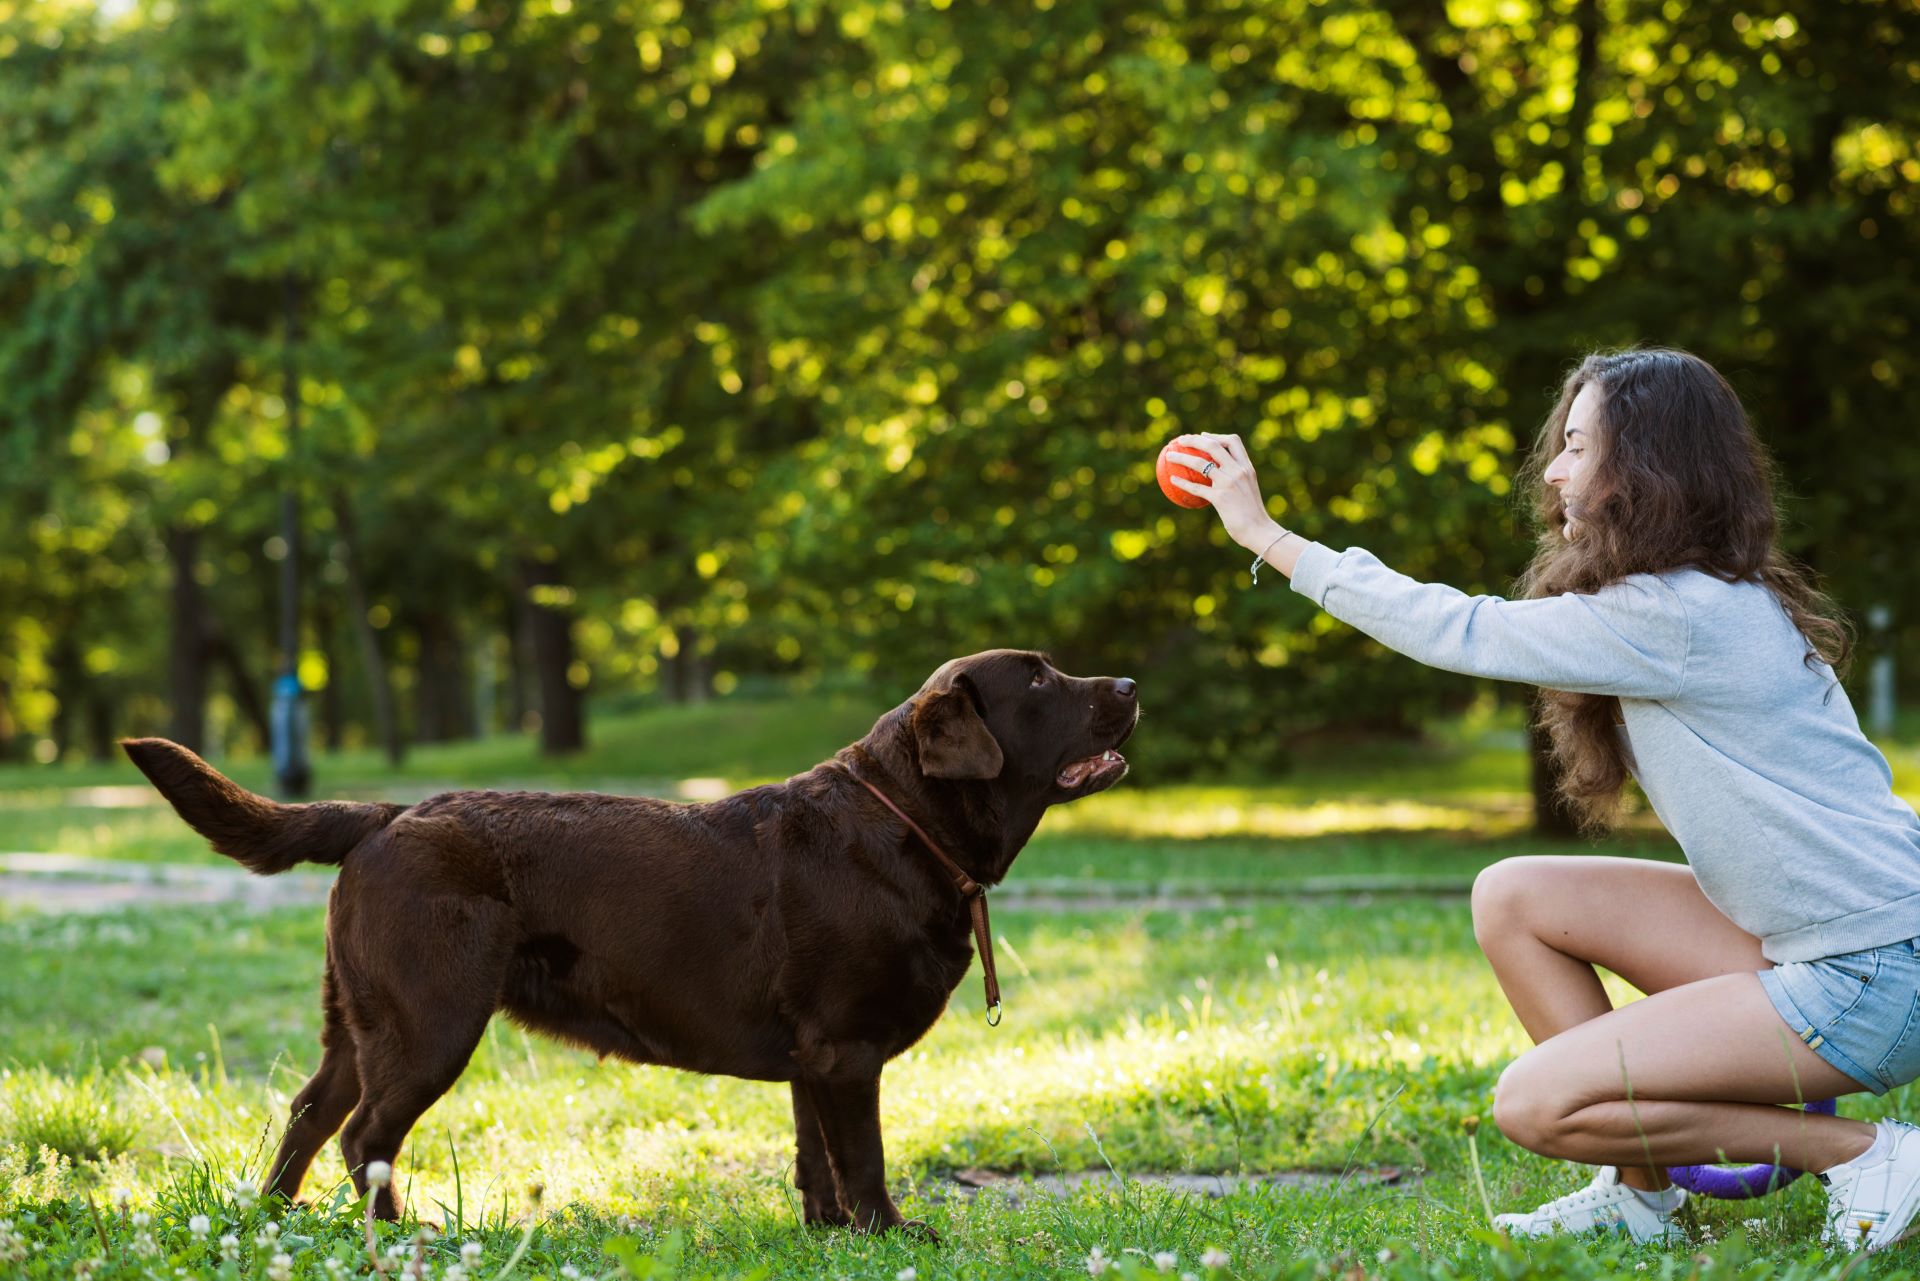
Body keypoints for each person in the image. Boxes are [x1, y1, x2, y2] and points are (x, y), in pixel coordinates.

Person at [1166, 348, 1920, 1252]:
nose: (1555, 471)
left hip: (1871, 970)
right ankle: (1642, 1198)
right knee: (1515, 895)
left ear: (1646, 467)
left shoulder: (1679, 614)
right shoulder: (1698, 598)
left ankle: (1866, 1153)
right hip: (1846, 941)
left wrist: (1265, 535)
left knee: (1537, 1100)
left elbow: (1459, 628)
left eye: (1578, 445)